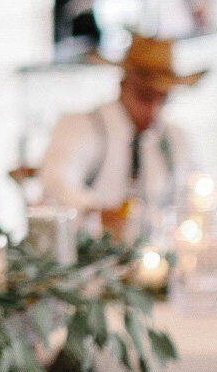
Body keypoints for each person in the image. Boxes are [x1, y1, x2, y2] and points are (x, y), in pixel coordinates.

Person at [38, 35, 201, 231]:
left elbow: (192, 197)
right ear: (123, 86)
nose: (153, 110)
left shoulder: (175, 139)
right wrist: (93, 213)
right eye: (145, 97)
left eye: (162, 99)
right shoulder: (83, 127)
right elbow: (56, 182)